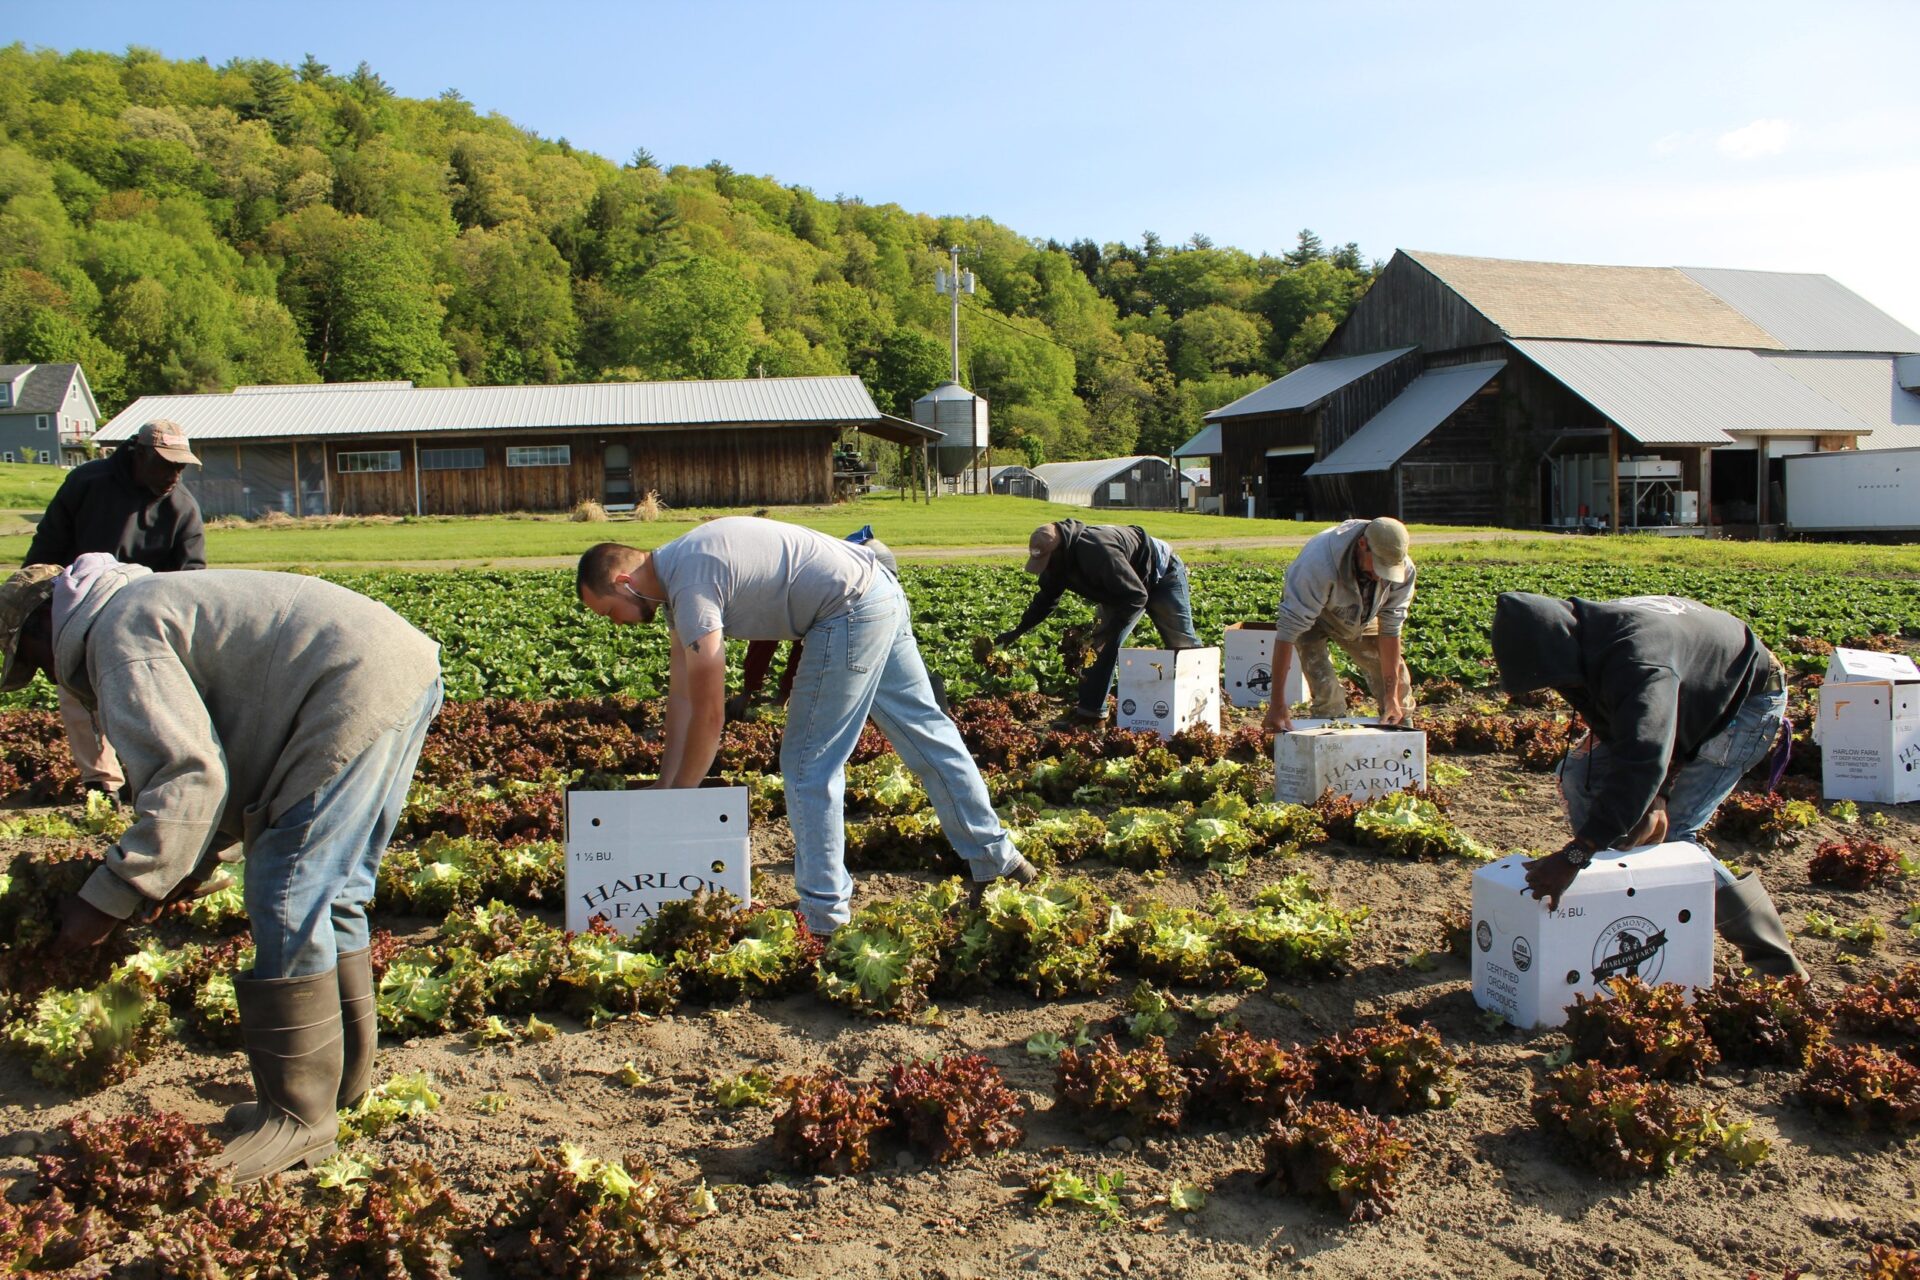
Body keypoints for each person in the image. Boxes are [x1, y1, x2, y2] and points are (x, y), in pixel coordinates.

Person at [0, 555, 444, 1181]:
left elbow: (188, 775)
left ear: (46, 626)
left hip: (351, 682)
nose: (47, 677)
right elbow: (227, 753)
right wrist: (185, 865)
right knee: (333, 894)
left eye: (33, 660)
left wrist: (106, 897)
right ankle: (339, 1088)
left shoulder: (118, 633)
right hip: (395, 666)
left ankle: (298, 1117)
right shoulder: (145, 605)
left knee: (287, 893)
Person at [576, 517, 1034, 933]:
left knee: (808, 764)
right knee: (926, 735)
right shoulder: (679, 580)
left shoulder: (690, 583)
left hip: (848, 609)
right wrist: (665, 787)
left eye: (608, 611)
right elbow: (682, 700)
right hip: (876, 589)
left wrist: (680, 803)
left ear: (623, 581)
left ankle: (823, 915)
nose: (614, 623)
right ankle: (999, 860)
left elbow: (711, 713)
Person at [1490, 591, 1805, 977]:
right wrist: (1646, 798)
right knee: (1578, 773)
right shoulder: (1583, 634)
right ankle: (1619, 898)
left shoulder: (1638, 659)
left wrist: (1577, 853)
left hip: (1744, 699)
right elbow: (1629, 725)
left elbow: (1645, 752)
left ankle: (1776, 964)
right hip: (1690, 691)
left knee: (1674, 839)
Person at [23, 420, 208, 796]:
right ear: (138, 454)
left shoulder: (182, 507)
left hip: (144, 618)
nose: (174, 474)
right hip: (79, 607)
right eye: (166, 464)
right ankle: (101, 783)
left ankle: (147, 777)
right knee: (77, 691)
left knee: (144, 698)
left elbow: (191, 578)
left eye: (180, 466)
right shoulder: (87, 483)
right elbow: (49, 543)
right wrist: (37, 600)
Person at [995, 520, 1199, 725]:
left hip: (1162, 572)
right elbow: (1046, 600)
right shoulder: (1056, 565)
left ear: (1060, 550)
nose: (1046, 567)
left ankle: (1205, 703)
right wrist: (1017, 631)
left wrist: (1107, 633)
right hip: (1121, 588)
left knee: (1182, 643)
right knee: (1094, 651)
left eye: (1048, 561)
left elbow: (1136, 597)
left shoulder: (1097, 551)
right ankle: (1091, 717)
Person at [1261, 517, 1415, 735]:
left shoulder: (1402, 567)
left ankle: (1400, 737)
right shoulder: (1316, 566)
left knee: (1395, 683)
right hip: (1313, 614)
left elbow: (1390, 630)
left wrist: (1391, 697)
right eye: (1379, 566)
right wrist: (1277, 704)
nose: (1381, 575)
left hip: (1361, 611)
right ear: (1363, 545)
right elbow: (1287, 635)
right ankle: (1330, 738)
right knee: (1325, 687)